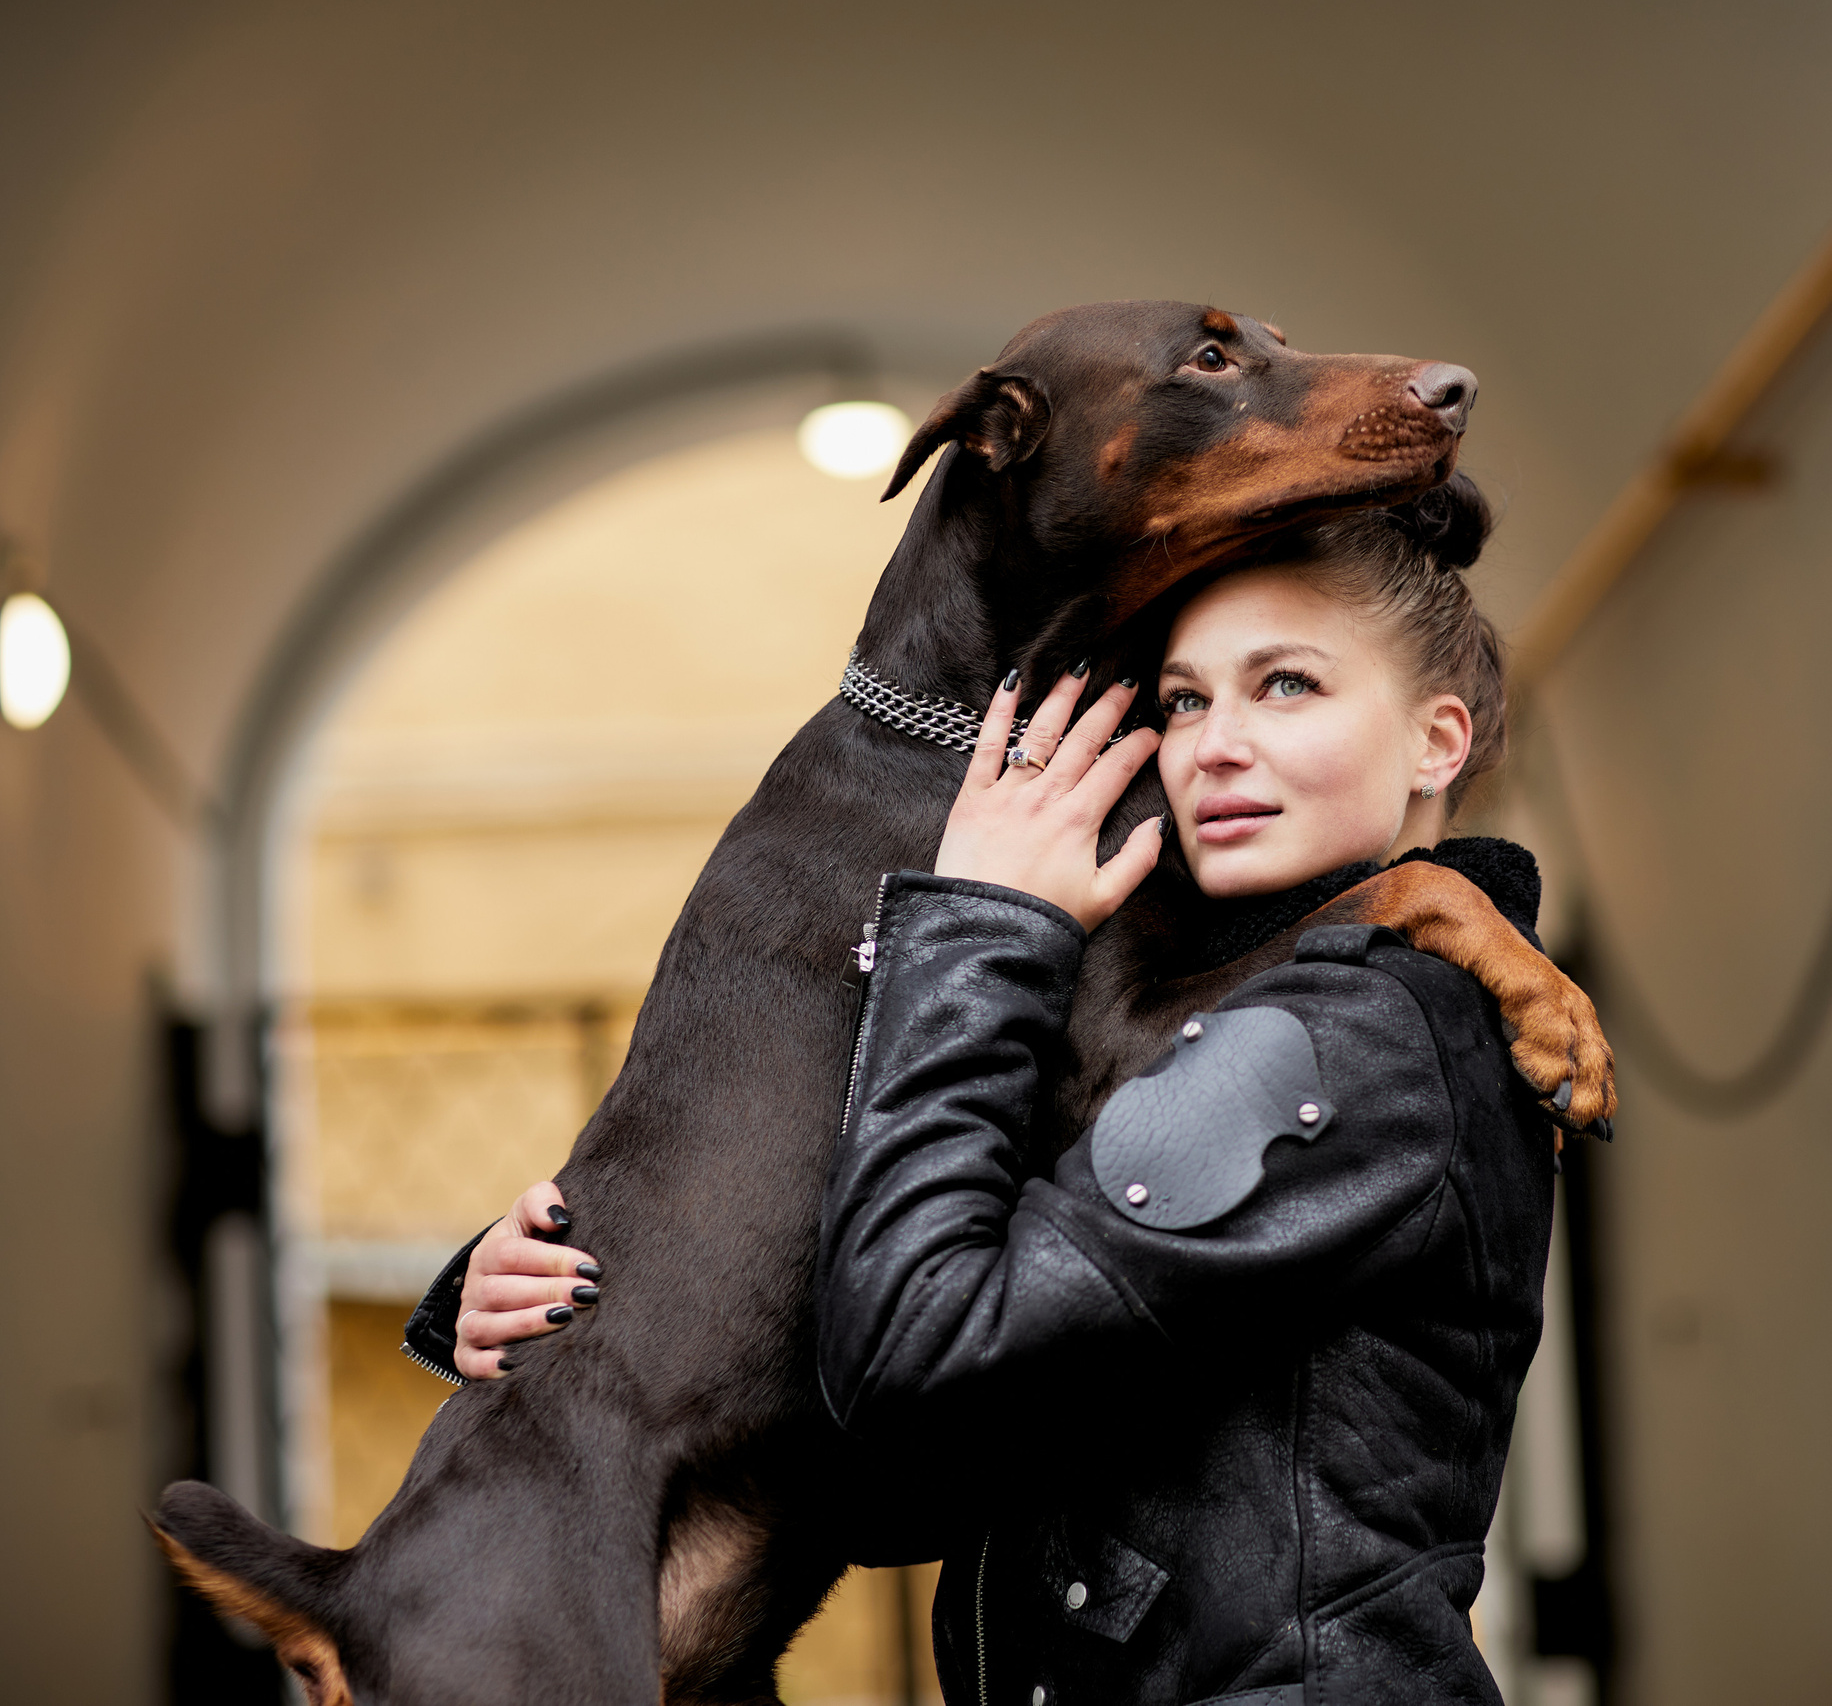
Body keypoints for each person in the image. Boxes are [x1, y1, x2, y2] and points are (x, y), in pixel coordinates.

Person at [427, 485, 1573, 1705]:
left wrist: (977, 923)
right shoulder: (1198, 1014)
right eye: (1184, 699)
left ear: (1435, 740)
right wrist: (553, 1301)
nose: (1214, 745)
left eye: (1287, 684)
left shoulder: (1359, 1036)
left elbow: (920, 1359)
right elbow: (888, 1488)